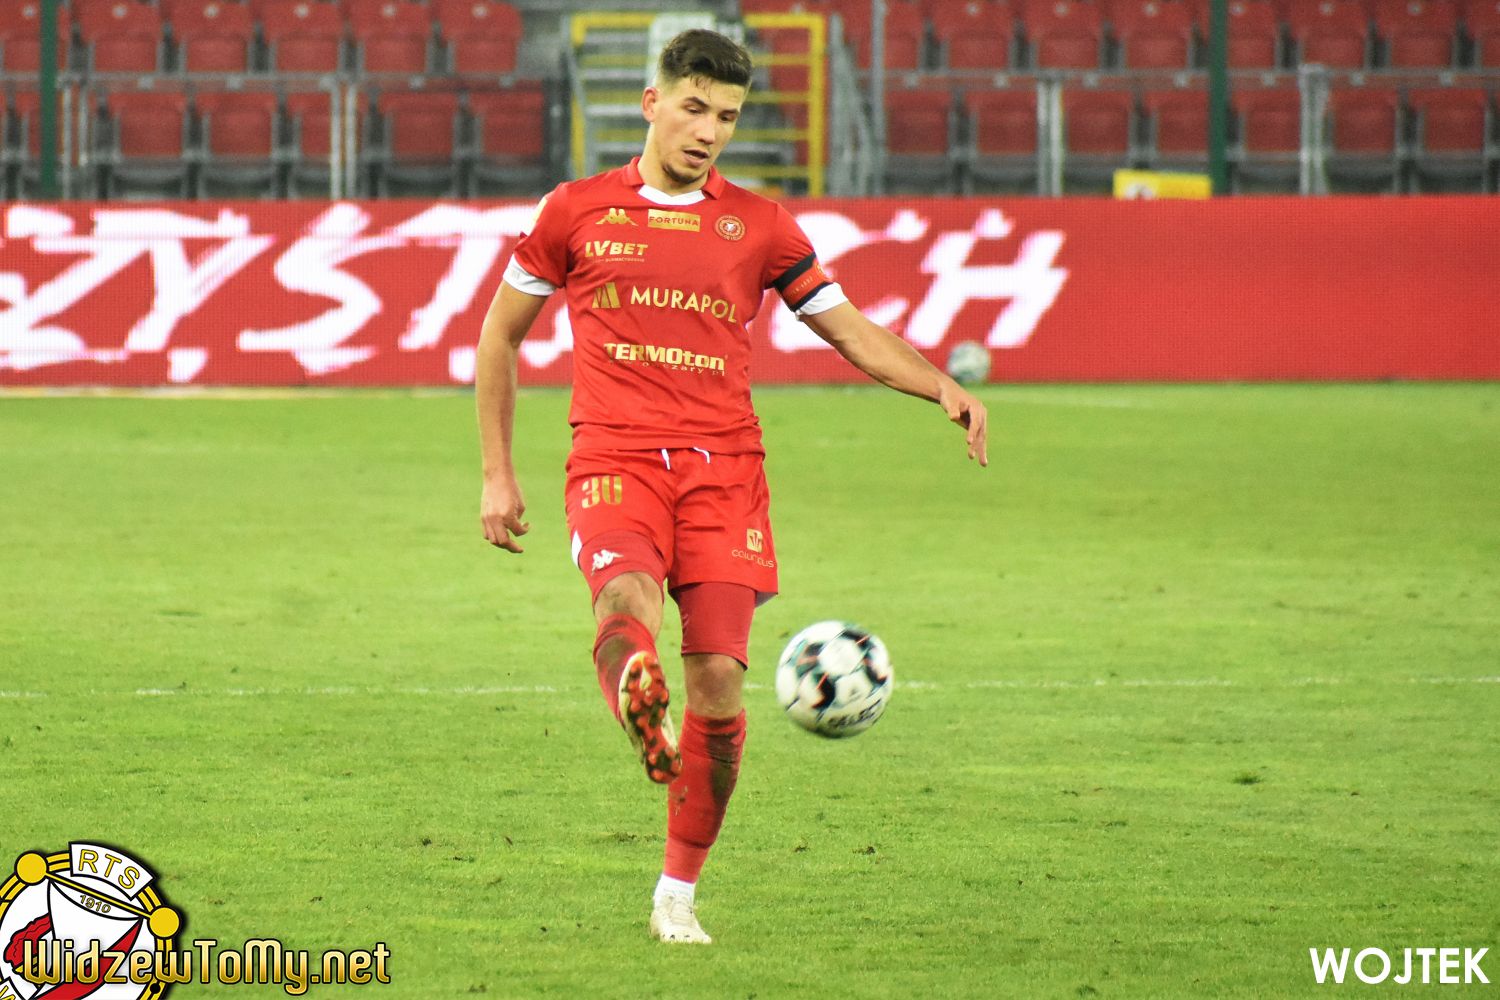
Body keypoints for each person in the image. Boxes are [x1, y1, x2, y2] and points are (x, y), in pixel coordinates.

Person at [475, 28, 987, 945]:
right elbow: (499, 336)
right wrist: (497, 473)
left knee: (715, 683)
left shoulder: (760, 225)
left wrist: (937, 384)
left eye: (727, 116)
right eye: (694, 108)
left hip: (726, 476)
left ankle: (677, 893)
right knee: (625, 599)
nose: (709, 130)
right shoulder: (574, 211)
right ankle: (639, 698)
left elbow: (849, 329)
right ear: (652, 104)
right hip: (617, 458)